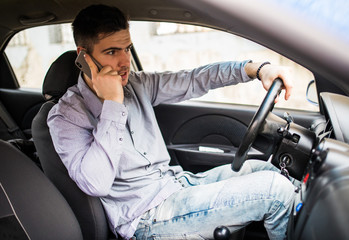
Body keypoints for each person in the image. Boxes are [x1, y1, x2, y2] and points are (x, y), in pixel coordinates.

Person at [47, 4, 297, 240]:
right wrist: (113, 103)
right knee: (275, 191)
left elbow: (194, 79)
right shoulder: (66, 116)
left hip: (176, 185)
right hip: (144, 217)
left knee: (272, 171)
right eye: (112, 52)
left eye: (127, 49)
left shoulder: (137, 84)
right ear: (84, 57)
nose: (125, 62)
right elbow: (95, 183)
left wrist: (255, 69)